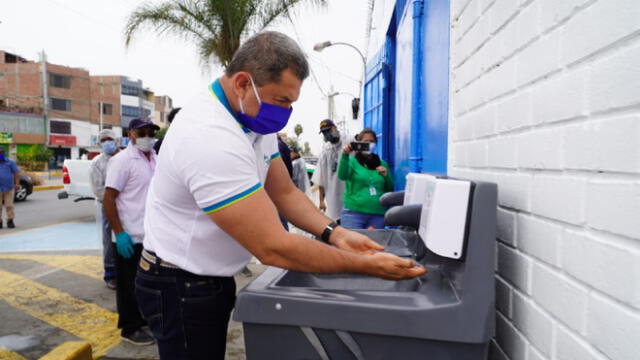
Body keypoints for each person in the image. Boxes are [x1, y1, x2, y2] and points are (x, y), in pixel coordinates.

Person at [136, 31, 425, 360]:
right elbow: (272, 246)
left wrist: (336, 233)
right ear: (244, 83)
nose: (286, 112)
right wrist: (366, 266)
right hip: (178, 283)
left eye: (292, 102)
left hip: (209, 278)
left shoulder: (254, 120)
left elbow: (284, 192)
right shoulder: (209, 138)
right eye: (282, 100)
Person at [103, 118, 158, 346]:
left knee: (145, 284)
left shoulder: (155, 157)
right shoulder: (122, 161)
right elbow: (109, 198)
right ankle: (130, 327)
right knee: (128, 285)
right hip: (129, 235)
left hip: (150, 236)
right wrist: (119, 232)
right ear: (131, 134)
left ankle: (143, 319)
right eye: (142, 132)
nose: (147, 136)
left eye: (150, 132)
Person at [338, 129, 394, 229]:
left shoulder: (382, 164)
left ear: (376, 143)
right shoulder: (352, 161)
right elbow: (342, 176)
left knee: (373, 244)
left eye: (372, 141)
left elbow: (390, 189)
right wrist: (345, 156)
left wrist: (386, 177)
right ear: (359, 144)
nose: (369, 144)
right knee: (352, 244)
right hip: (353, 214)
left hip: (378, 215)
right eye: (365, 142)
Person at [89, 129, 120, 289]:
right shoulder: (97, 162)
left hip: (129, 205)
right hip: (108, 206)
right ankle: (110, 273)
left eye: (110, 139)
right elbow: (98, 188)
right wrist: (112, 203)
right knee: (109, 238)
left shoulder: (125, 158)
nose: (107, 142)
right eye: (104, 140)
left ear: (116, 140)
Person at [312, 119, 348, 221]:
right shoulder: (325, 150)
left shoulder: (348, 141)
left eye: (329, 130)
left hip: (350, 196)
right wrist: (321, 201)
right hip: (333, 198)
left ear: (335, 128)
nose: (327, 134)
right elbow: (320, 178)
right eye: (324, 132)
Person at [0, 148, 19, 229]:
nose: (1, 154)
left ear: (4, 153)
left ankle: (10, 220)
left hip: (9, 187)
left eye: (1, 153)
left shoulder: (10, 162)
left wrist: (17, 183)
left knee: (9, 205)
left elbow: (16, 173)